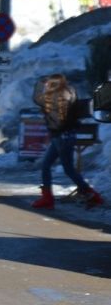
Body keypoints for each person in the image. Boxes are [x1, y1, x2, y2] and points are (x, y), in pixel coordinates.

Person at [32, 74, 104, 210]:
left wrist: (40, 83)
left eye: (48, 83)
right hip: (67, 135)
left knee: (67, 168)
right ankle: (48, 197)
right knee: (47, 165)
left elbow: (36, 98)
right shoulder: (71, 93)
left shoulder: (49, 98)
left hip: (60, 137)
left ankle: (91, 194)